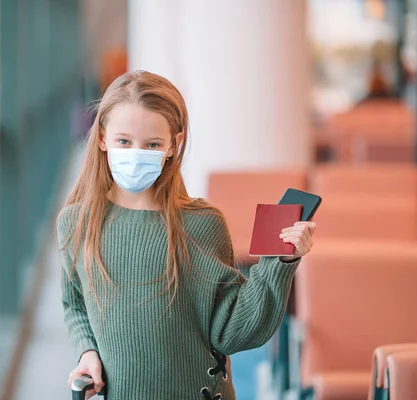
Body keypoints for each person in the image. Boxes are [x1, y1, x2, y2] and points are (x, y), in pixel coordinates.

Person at [57, 70, 315, 399]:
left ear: (173, 145)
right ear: (103, 137)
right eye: (124, 140)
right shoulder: (77, 223)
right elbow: (74, 303)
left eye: (152, 144)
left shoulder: (201, 224)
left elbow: (231, 330)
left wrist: (282, 261)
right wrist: (87, 352)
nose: (136, 153)